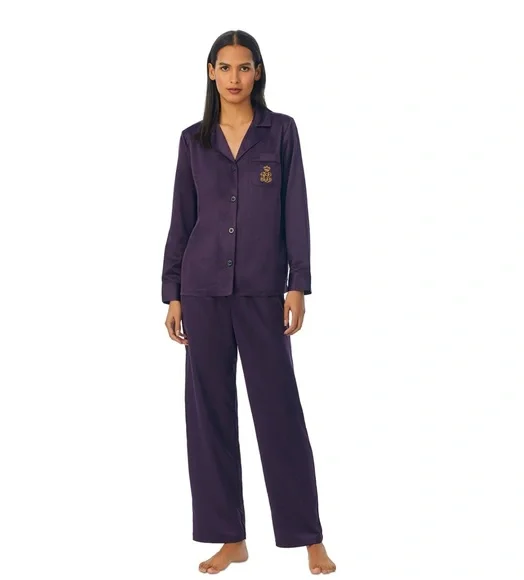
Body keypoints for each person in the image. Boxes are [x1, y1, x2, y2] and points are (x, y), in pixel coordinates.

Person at [161, 30, 336, 575]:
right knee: (209, 418)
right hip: (203, 292)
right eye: (225, 67)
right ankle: (229, 538)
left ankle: (308, 537)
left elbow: (295, 210)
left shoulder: (280, 133)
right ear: (210, 72)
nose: (234, 77)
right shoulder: (194, 140)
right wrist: (172, 292)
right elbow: (182, 218)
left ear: (257, 71)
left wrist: (297, 282)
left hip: (262, 292)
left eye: (244, 67)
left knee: (279, 413)